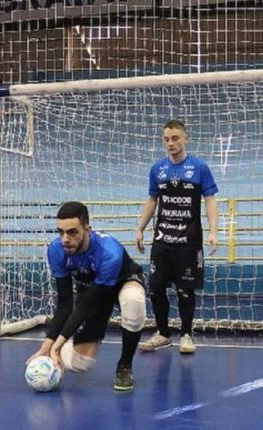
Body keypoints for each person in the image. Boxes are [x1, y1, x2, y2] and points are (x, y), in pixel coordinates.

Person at [26, 201, 147, 391]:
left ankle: (125, 365)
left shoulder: (109, 253)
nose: (65, 239)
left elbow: (86, 305)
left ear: (87, 230)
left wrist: (56, 346)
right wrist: (47, 347)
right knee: (79, 364)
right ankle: (66, 351)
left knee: (133, 302)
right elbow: (65, 304)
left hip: (122, 280)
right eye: (61, 232)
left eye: (72, 232)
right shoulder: (56, 251)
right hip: (92, 287)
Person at [136, 119, 218, 354]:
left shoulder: (199, 168)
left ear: (185, 139)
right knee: (156, 287)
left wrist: (213, 231)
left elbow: (210, 199)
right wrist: (140, 227)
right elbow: (152, 200)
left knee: (185, 289)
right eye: (166, 139)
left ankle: (186, 335)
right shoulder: (157, 169)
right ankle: (162, 333)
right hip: (162, 241)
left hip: (188, 242)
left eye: (175, 138)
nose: (171, 143)